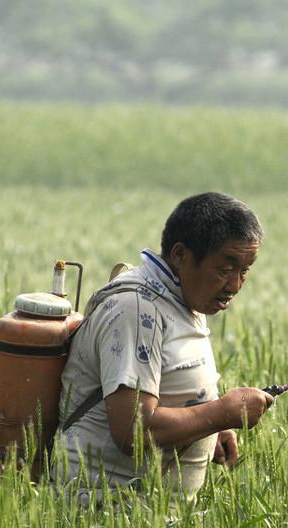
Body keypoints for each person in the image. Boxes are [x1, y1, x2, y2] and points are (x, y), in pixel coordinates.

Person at [54, 192, 274, 501]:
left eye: (245, 270)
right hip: (104, 515)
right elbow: (134, 429)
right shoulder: (137, 310)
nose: (236, 285)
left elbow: (171, 388)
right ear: (181, 255)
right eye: (226, 268)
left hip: (150, 521)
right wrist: (221, 414)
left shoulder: (181, 300)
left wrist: (209, 429)